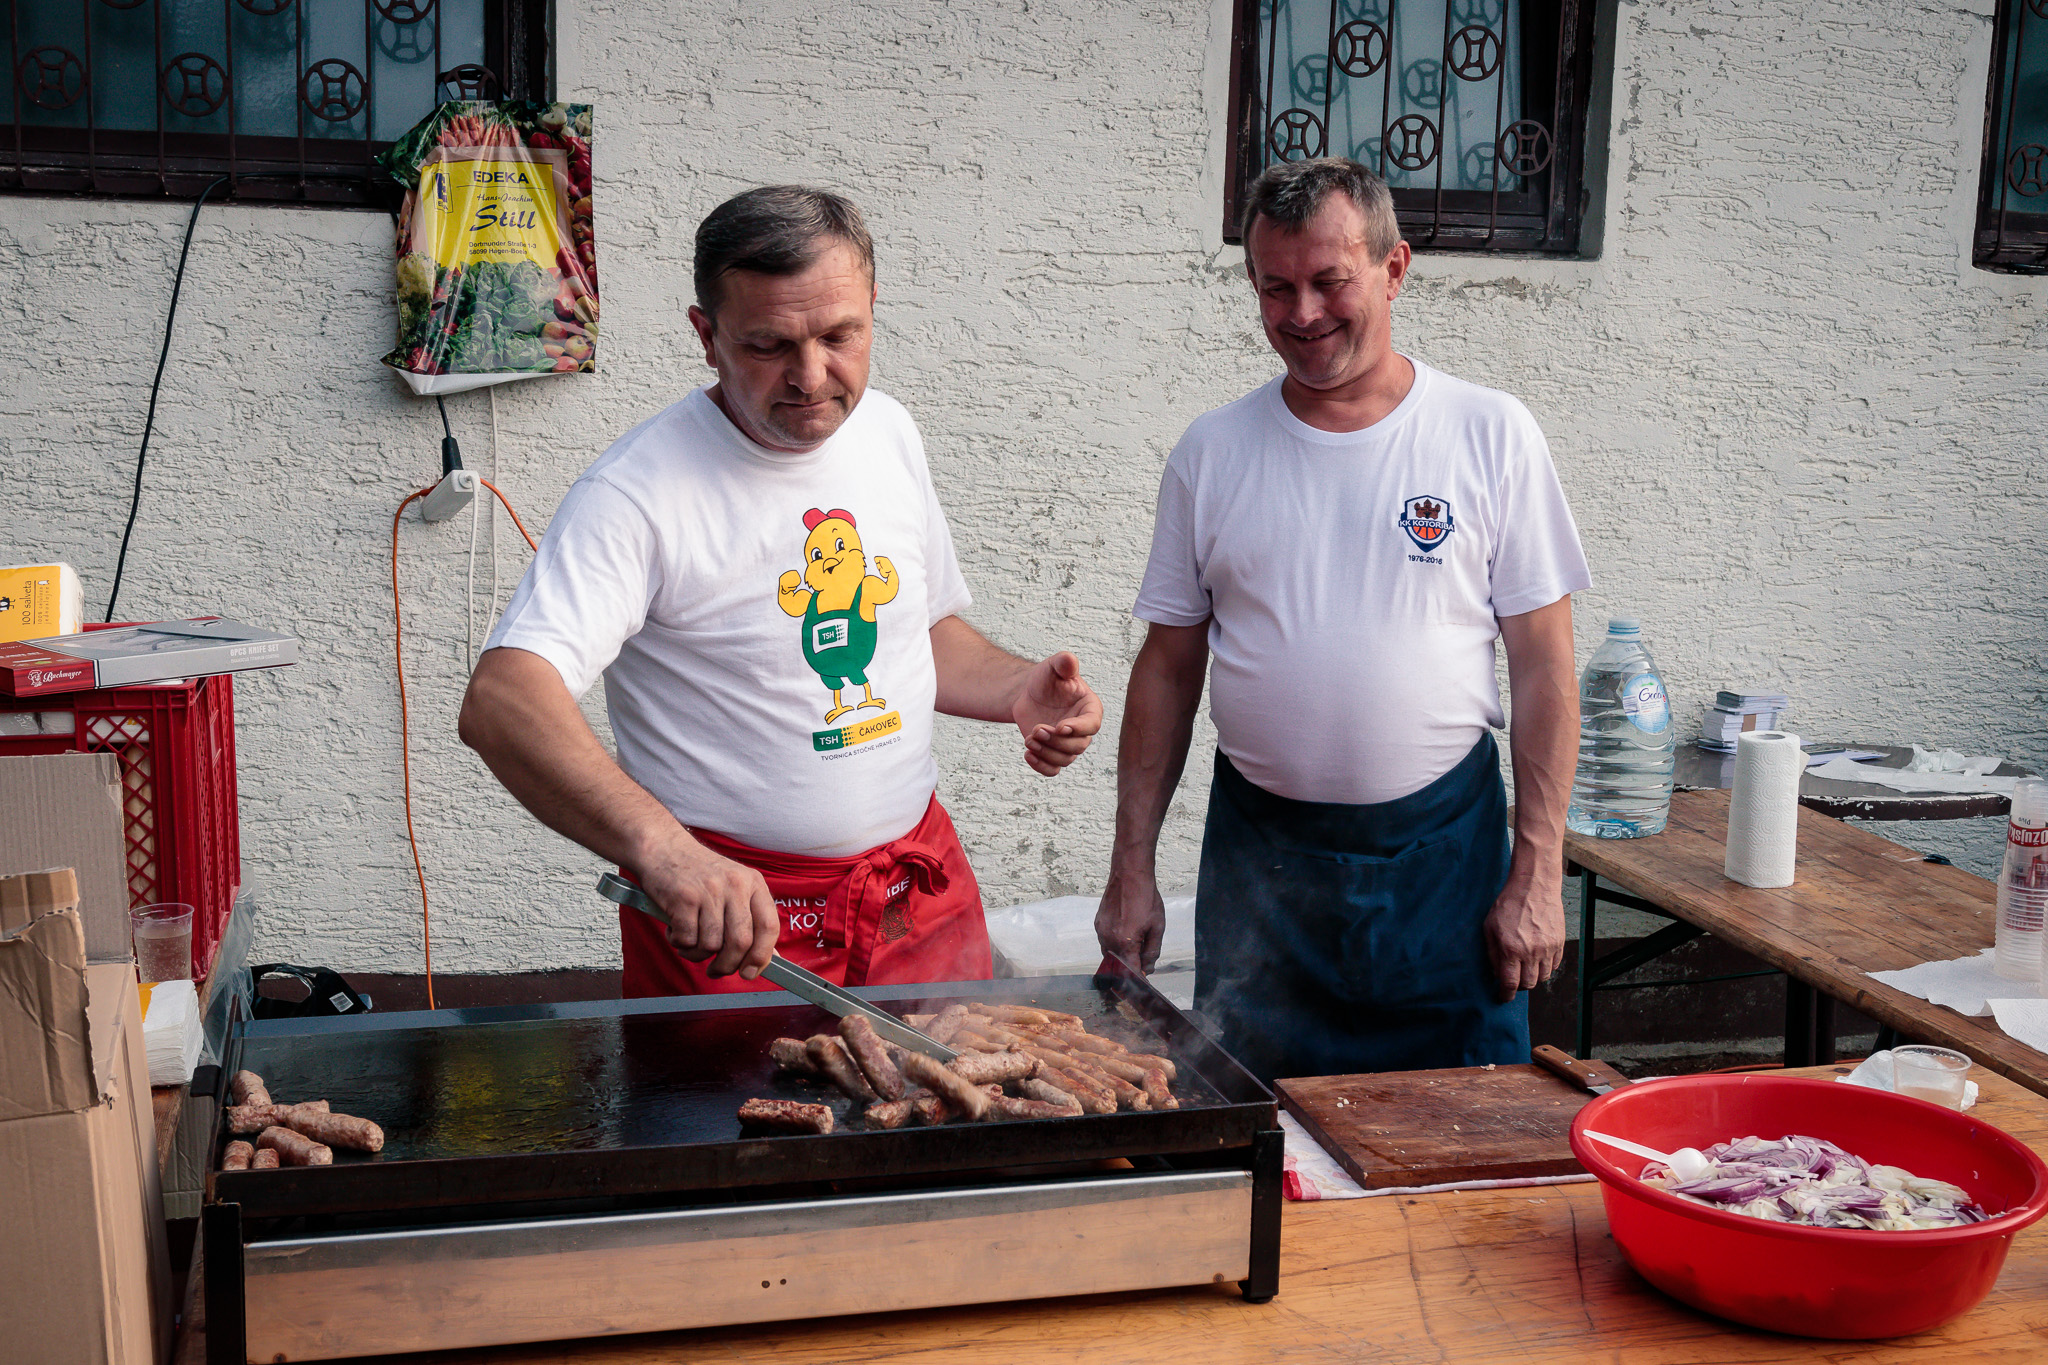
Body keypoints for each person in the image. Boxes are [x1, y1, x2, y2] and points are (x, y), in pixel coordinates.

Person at [461, 185, 1101, 994]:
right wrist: (663, 851)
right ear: (707, 335)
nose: (811, 376)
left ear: (873, 305)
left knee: (963, 1109)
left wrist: (1020, 688)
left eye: (841, 335)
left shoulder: (889, 433)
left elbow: (920, 630)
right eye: (769, 344)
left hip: (915, 895)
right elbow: (502, 700)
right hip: (739, 927)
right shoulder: (636, 494)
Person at [1094, 159, 1589, 1082]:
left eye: (1331, 281)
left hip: (1446, 871)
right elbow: (1165, 669)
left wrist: (1540, 871)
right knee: (1259, 1146)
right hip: (1261, 874)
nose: (1304, 312)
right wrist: (1132, 866)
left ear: (1395, 267)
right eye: (1275, 287)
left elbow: (1545, 671)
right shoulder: (1213, 452)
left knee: (1465, 1146)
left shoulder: (1490, 433)